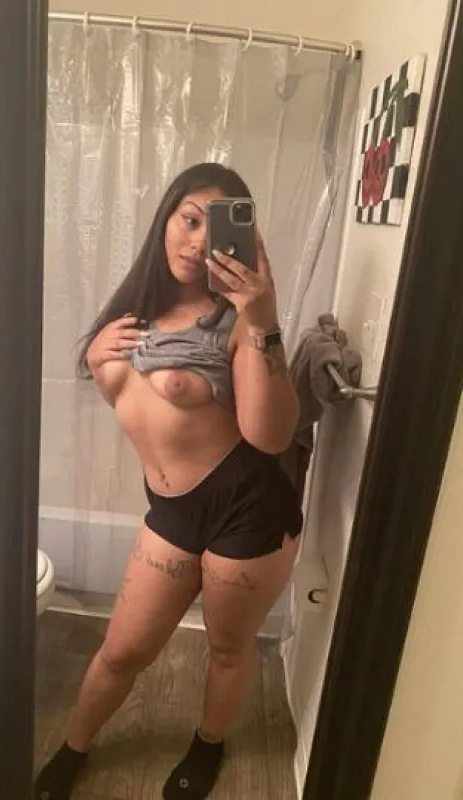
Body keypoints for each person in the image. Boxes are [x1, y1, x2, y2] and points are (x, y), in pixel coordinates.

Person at [35, 162, 303, 800]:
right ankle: (74, 746)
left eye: (216, 229)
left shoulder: (236, 321)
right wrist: (98, 353)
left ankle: (209, 744)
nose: (198, 241)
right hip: (173, 510)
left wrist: (263, 316)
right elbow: (136, 405)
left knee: (228, 647)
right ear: (166, 218)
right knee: (121, 651)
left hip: (249, 508)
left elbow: (270, 436)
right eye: (189, 220)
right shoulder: (129, 316)